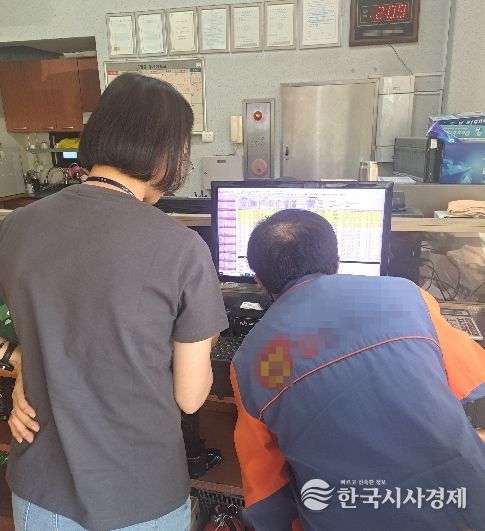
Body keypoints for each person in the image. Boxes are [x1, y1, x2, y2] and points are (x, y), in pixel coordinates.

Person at [0, 73, 228, 530]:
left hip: (39, 492)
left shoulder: (17, 226)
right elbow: (190, 398)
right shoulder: (181, 247)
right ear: (167, 154)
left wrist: (14, 357)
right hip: (138, 496)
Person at [230, 209, 485, 531]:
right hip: (466, 507)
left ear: (258, 280)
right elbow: (473, 382)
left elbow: (267, 497)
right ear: (337, 262)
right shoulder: (406, 295)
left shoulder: (251, 359)